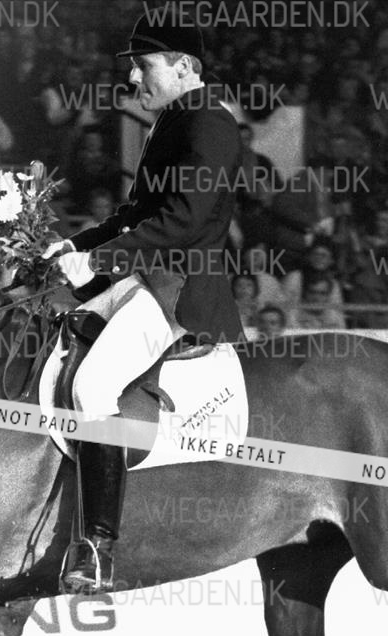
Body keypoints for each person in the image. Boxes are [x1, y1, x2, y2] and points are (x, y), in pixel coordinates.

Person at [42, 11, 243, 593]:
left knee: (92, 387)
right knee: (52, 331)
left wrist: (101, 260)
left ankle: (98, 547)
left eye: (143, 65)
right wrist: (75, 245)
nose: (134, 78)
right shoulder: (173, 121)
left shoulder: (209, 121)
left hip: (178, 288)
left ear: (183, 66)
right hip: (146, 277)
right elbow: (136, 214)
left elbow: (185, 221)